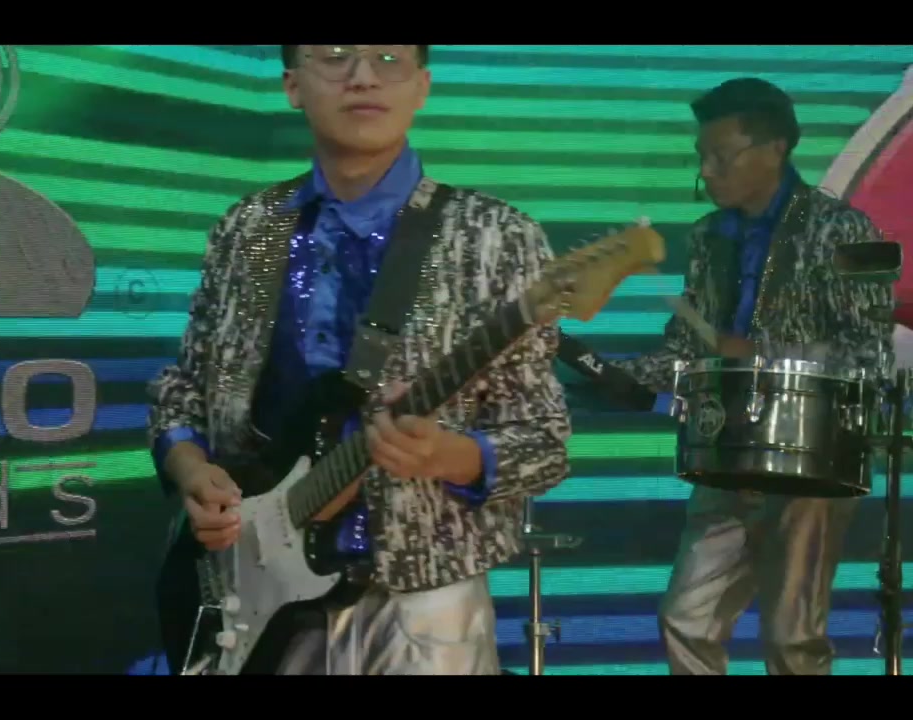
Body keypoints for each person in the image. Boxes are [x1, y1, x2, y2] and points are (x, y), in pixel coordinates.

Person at [146, 45, 572, 675]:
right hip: (252, 586)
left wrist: (447, 455)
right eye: (336, 56)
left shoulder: (495, 237)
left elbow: (544, 440)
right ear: (293, 84)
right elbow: (181, 387)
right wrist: (191, 471)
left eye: (388, 57)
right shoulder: (248, 229)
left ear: (422, 85)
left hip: (425, 601)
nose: (363, 77)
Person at [615, 77, 894, 675]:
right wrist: (613, 375)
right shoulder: (707, 236)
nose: (707, 171)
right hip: (726, 451)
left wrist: (762, 354)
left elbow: (870, 352)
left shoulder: (845, 230)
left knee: (793, 639)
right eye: (702, 157)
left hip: (812, 460)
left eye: (721, 156)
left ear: (775, 148)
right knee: (686, 619)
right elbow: (686, 349)